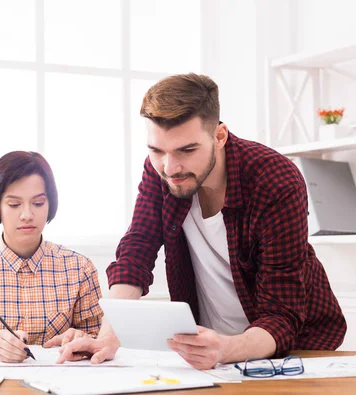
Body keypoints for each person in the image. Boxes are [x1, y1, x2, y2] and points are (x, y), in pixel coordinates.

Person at [57, 73, 346, 369]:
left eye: (187, 150)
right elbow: (136, 252)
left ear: (219, 136)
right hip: (209, 352)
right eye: (157, 151)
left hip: (294, 349)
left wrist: (226, 348)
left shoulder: (275, 180)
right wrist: (108, 337)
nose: (170, 168)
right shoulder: (161, 171)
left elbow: (282, 315)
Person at [0, 151, 103, 362]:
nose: (27, 214)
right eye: (14, 204)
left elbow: (97, 336)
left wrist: (82, 339)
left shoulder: (79, 267)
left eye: (38, 203)